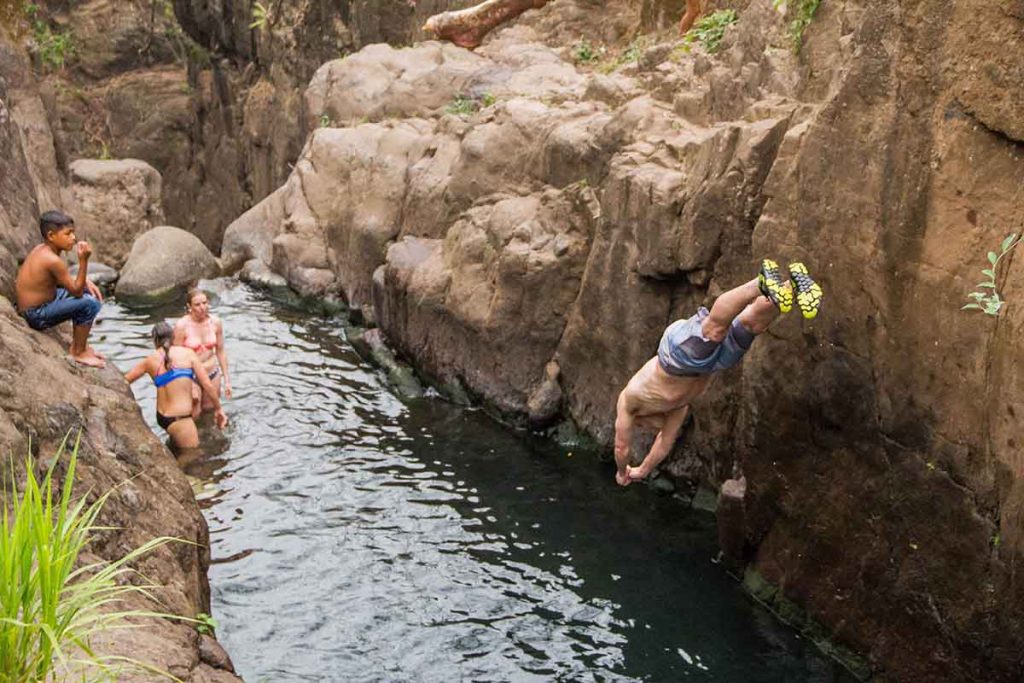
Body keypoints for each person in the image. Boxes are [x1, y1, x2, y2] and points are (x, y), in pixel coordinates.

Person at [613, 259, 823, 486]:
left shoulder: (628, 402)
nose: (647, 429)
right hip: (712, 365)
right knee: (751, 324)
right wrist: (643, 470)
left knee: (713, 330)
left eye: (642, 428)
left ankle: (758, 282)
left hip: (675, 357)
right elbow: (664, 442)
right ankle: (794, 284)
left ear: (640, 421)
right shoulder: (676, 409)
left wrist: (621, 471)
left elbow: (621, 446)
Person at [15, 210, 105, 367]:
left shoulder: (42, 249)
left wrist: (85, 281)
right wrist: (83, 261)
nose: (73, 238)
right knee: (90, 304)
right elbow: (75, 291)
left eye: (73, 233)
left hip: (42, 302)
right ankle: (78, 352)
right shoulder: (52, 260)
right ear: (51, 236)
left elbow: (58, 280)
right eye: (68, 234)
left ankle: (81, 345)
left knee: (87, 291)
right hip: (36, 314)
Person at [125, 322, 228, 451]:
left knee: (177, 447)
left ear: (155, 341)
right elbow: (207, 384)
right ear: (173, 337)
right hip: (180, 419)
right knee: (193, 454)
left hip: (163, 417)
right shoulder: (187, 354)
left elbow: (125, 381)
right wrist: (219, 409)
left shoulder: (149, 360)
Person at [173, 288, 231, 418]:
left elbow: (220, 351)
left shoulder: (215, 323)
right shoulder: (182, 326)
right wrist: (186, 383)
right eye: (197, 305)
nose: (202, 308)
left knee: (211, 411)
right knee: (195, 413)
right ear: (189, 307)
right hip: (191, 375)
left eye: (205, 303)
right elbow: (176, 359)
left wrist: (227, 379)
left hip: (212, 372)